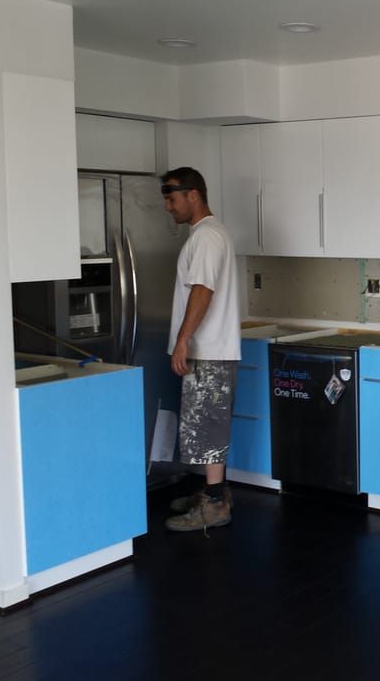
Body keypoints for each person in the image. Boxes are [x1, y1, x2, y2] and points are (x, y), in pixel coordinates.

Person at [160, 167, 240, 532]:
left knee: (207, 429)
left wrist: (183, 338)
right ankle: (213, 495)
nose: (167, 206)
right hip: (209, 348)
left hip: (209, 348)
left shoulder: (207, 237)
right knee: (207, 426)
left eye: (172, 198)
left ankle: (213, 506)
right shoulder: (206, 234)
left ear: (193, 195)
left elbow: (202, 290)